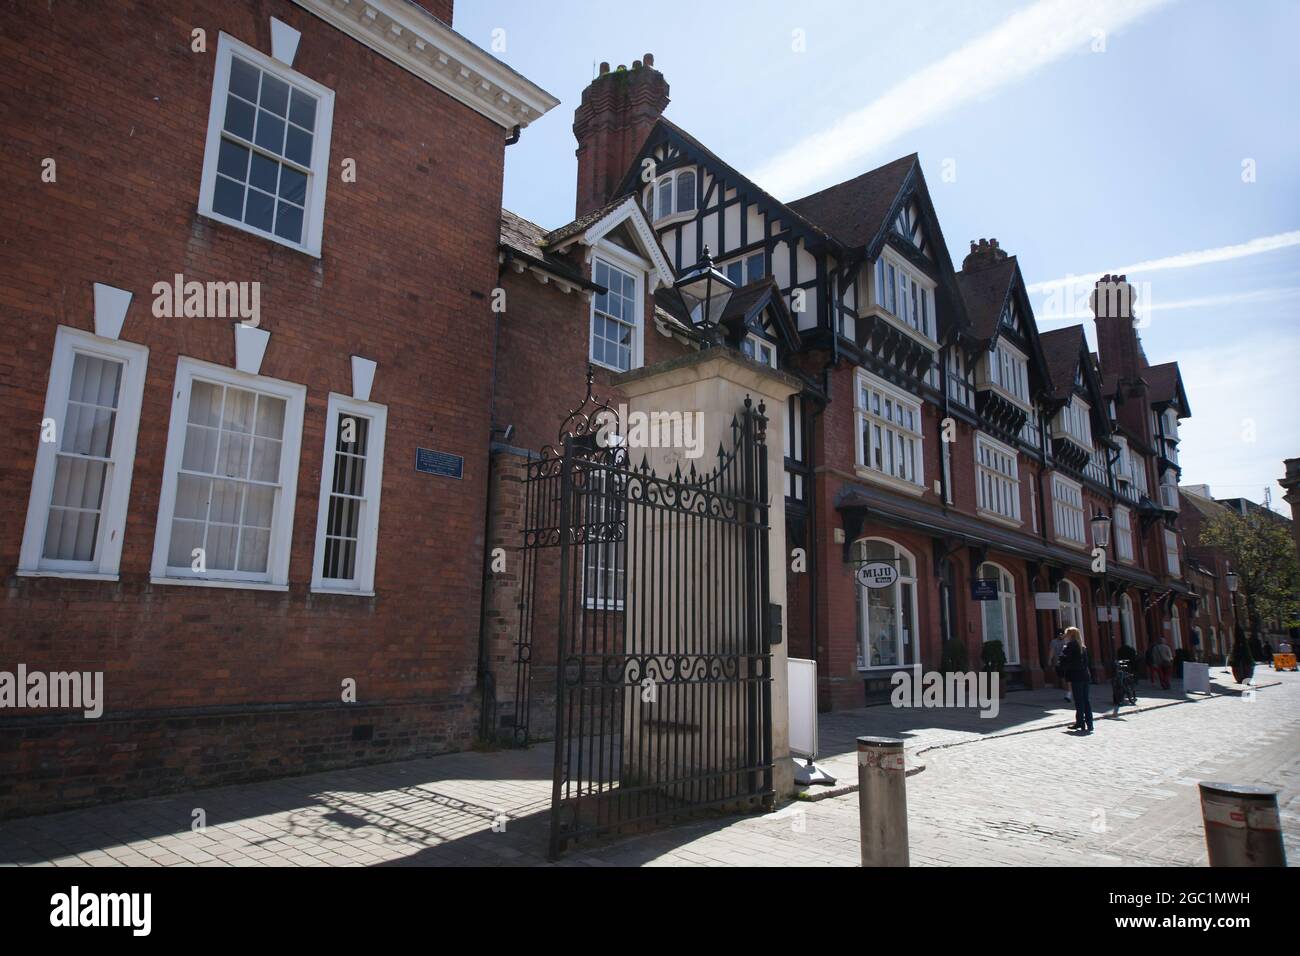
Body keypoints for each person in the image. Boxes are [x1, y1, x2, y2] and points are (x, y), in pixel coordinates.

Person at [1058, 626, 1093, 734]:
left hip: (1076, 675)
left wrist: (1063, 654)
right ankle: (1090, 723)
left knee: (1078, 700)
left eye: (1066, 634)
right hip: (1084, 675)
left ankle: (1080, 723)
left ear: (1071, 635)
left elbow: (1063, 659)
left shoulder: (1070, 645)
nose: (1065, 636)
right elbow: (1087, 663)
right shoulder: (1082, 647)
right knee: (1086, 699)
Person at [1047, 629, 1068, 700]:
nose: (1061, 635)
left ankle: (1068, 692)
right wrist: (1050, 660)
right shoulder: (1054, 642)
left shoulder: (1066, 641)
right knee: (1062, 676)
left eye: (1062, 634)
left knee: (1065, 676)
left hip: (1066, 662)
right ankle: (1067, 691)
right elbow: (1052, 651)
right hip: (1058, 662)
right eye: (1060, 634)